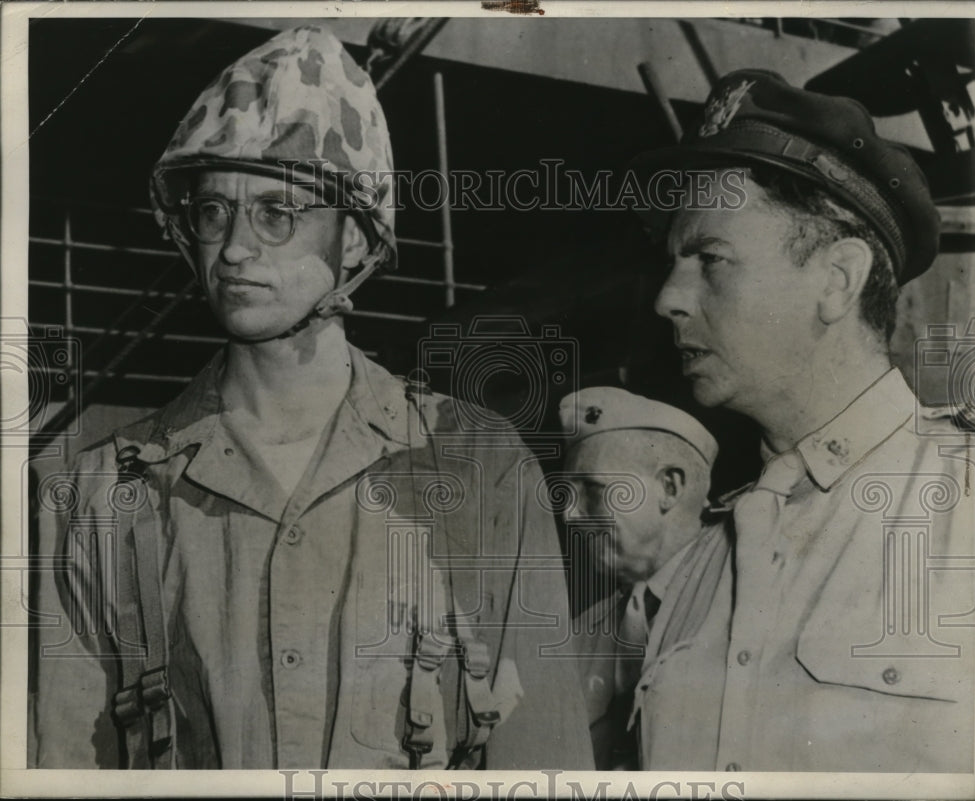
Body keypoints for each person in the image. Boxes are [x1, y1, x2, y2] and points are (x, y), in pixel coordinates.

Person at [32, 25, 593, 771]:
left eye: (277, 212)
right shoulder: (95, 497)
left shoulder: (481, 467)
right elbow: (67, 767)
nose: (233, 249)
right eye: (212, 212)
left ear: (356, 240)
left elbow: (546, 762)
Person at [625, 69, 975, 772]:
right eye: (673, 263)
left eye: (710, 259)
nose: (668, 296)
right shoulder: (683, 573)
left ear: (837, 279)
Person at [559, 387, 728, 770]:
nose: (569, 514)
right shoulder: (583, 633)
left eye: (591, 490)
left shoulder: (744, 601)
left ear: (670, 487)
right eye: (566, 494)